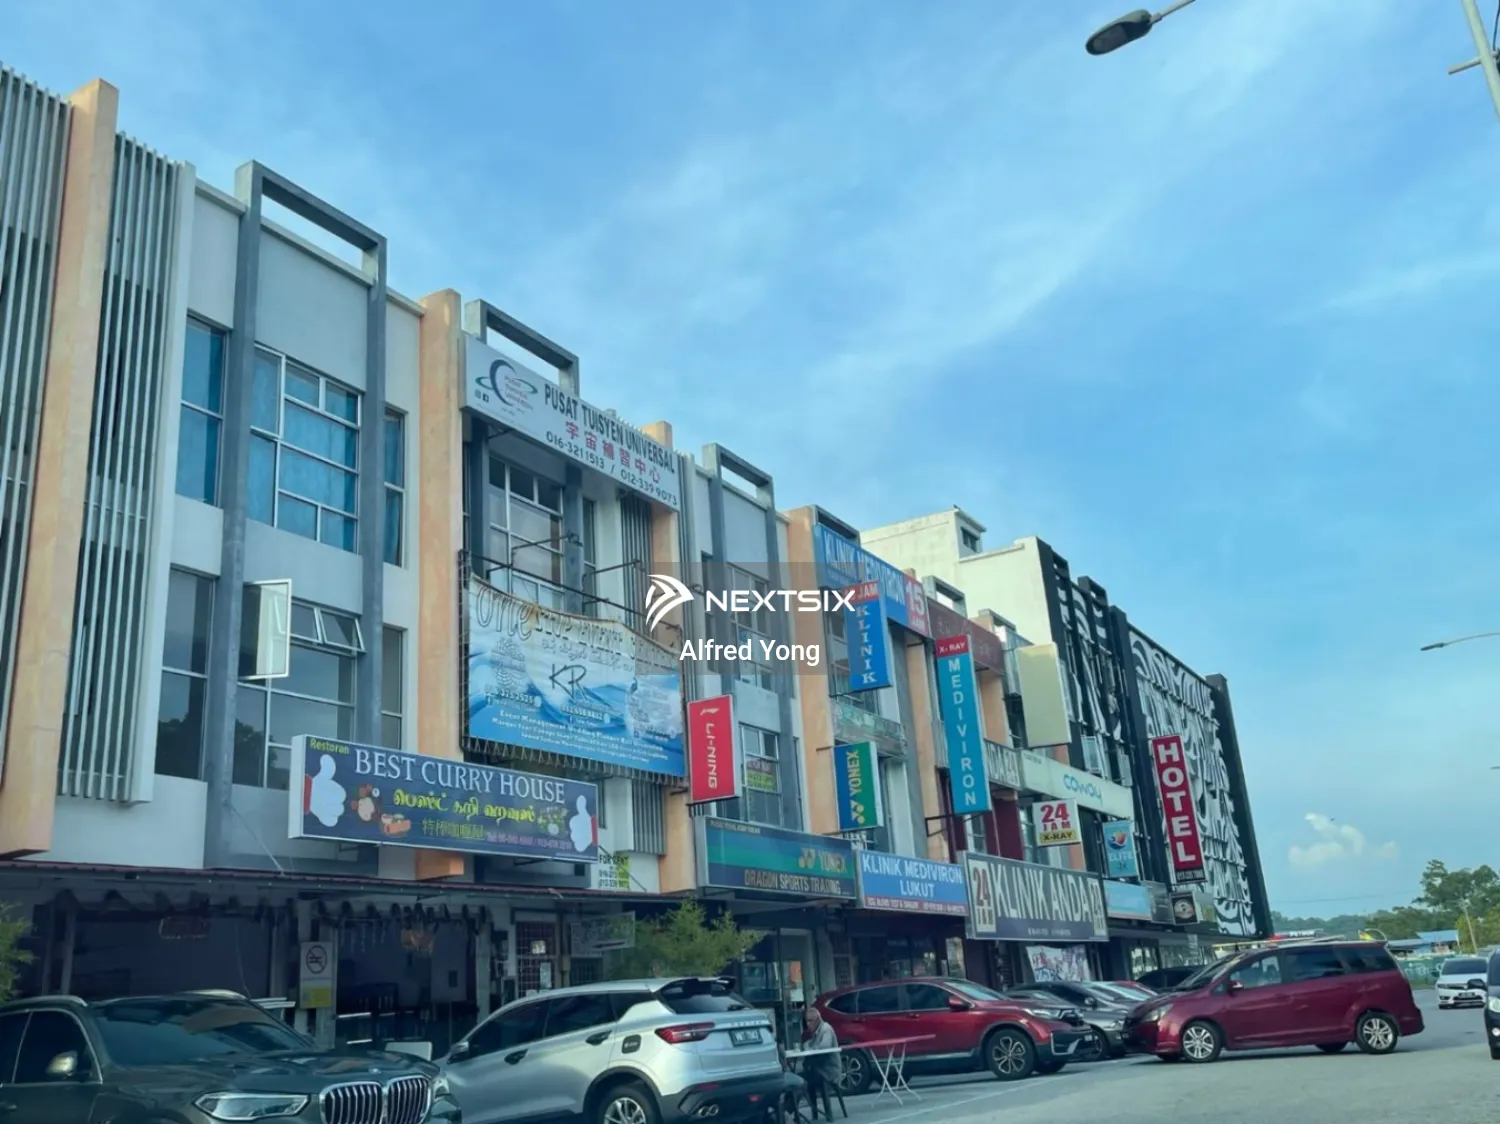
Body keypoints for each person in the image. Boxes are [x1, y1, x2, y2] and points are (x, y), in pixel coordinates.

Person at [800, 1008, 842, 1120]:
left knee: (805, 1080)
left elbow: (825, 1046)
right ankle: (813, 1113)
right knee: (804, 1077)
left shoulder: (826, 1029)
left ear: (818, 1020)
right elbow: (808, 1044)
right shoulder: (815, 1032)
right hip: (820, 1069)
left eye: (811, 1021)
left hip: (829, 1070)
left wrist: (811, 1047)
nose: (808, 1024)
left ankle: (826, 1114)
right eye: (807, 1021)